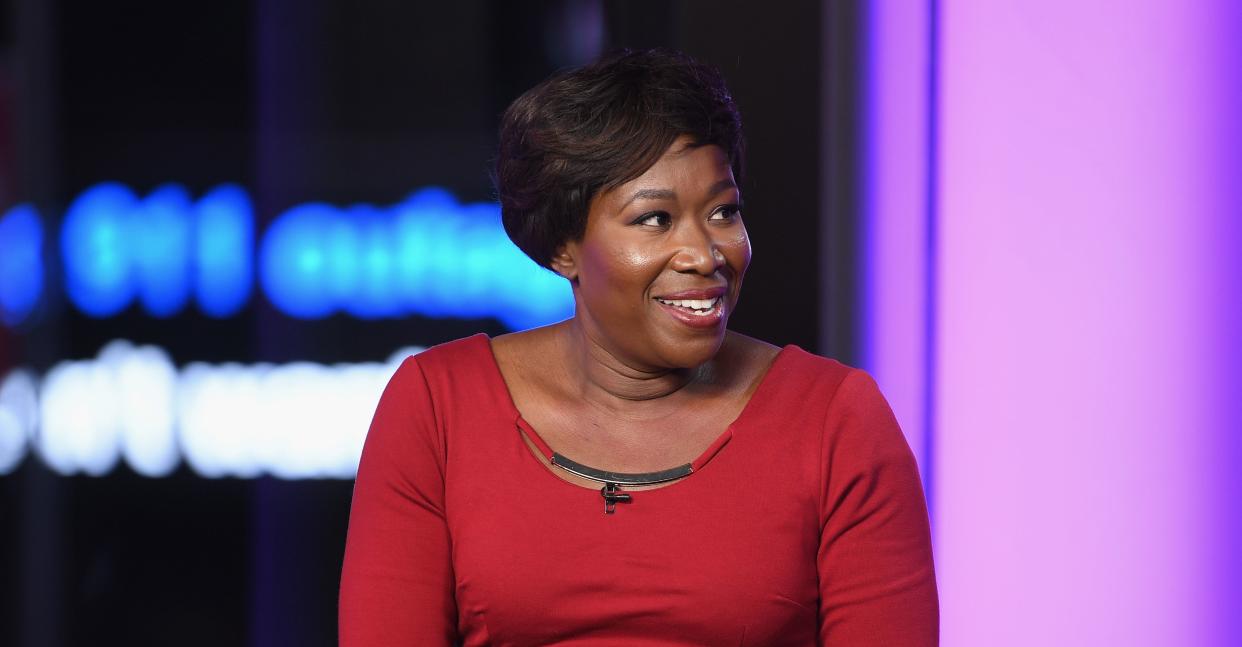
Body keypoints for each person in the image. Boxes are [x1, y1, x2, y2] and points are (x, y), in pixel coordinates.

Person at [339, 48, 938, 646]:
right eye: (654, 219)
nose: (705, 255)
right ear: (562, 246)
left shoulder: (835, 419)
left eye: (723, 212)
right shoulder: (438, 407)